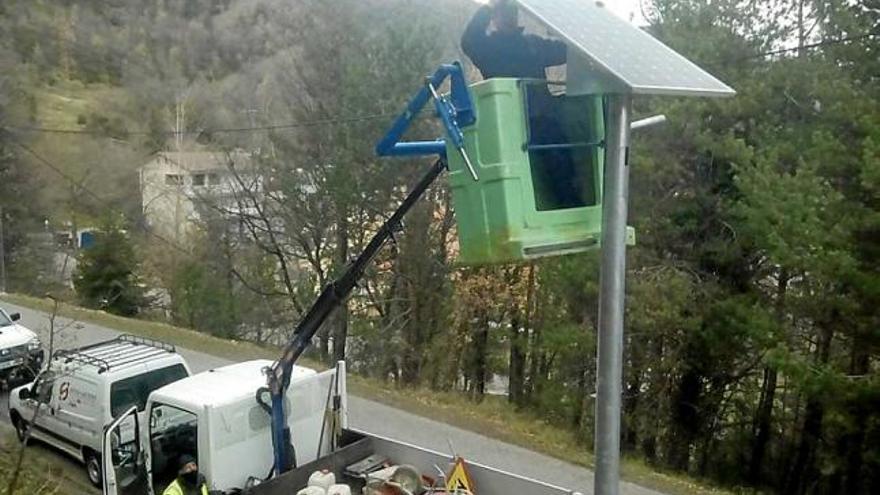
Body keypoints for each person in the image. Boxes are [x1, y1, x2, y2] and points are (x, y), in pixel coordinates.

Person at [461, 0, 567, 80]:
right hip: (506, 108)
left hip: (541, 109)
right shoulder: (487, 48)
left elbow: (567, 51)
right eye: (503, 13)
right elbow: (469, 40)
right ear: (493, 17)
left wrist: (559, 28)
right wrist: (489, 6)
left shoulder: (534, 44)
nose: (509, 17)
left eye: (512, 12)